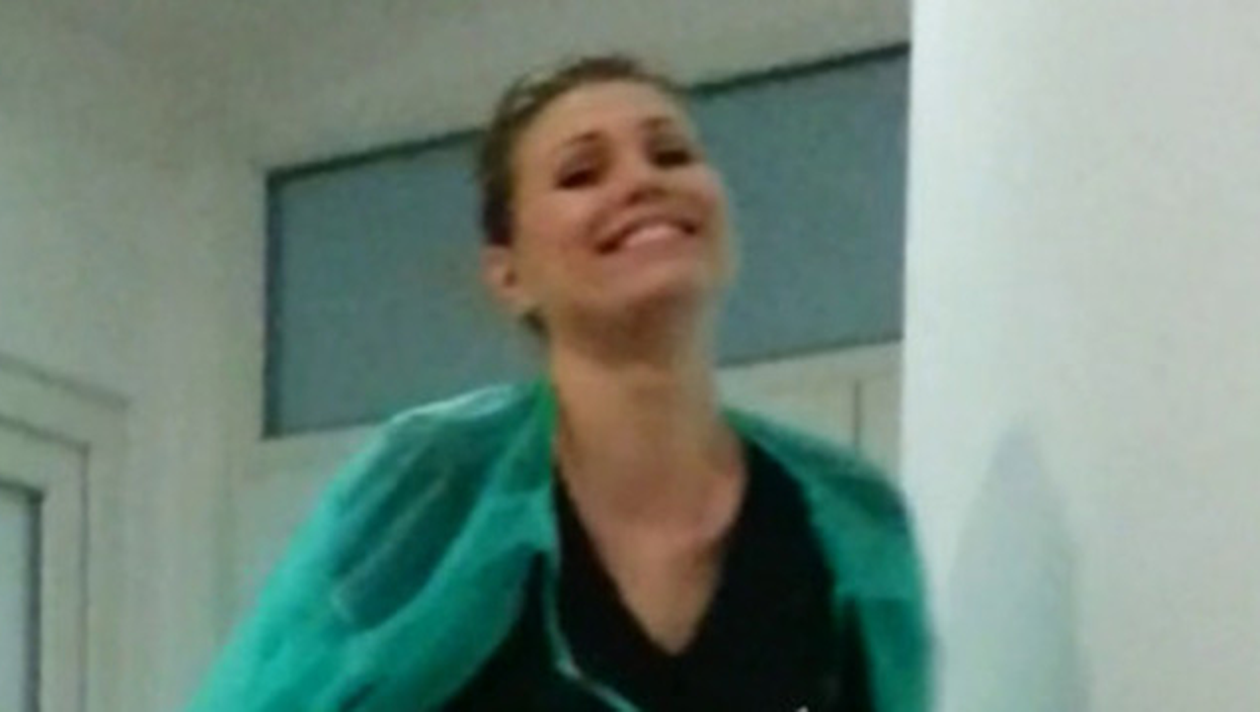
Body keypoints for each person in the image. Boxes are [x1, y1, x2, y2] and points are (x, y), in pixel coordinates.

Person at [188, 55, 931, 712]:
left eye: (671, 154)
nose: (642, 181)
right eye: (581, 173)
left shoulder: (848, 518)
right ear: (509, 276)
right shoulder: (434, 489)